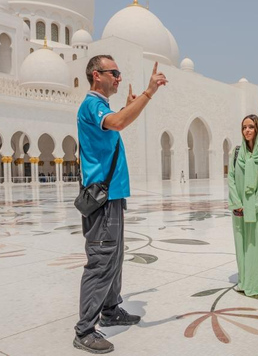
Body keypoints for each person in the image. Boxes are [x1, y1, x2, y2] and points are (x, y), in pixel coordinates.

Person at [73, 54, 167, 354]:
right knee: (101, 260)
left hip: (112, 197)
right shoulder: (92, 104)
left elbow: (116, 120)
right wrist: (149, 93)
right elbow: (119, 122)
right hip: (102, 201)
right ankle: (85, 329)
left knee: (114, 256)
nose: (118, 77)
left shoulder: (101, 106)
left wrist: (127, 105)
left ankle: (111, 309)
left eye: (119, 72)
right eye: (113, 72)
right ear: (95, 75)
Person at [227, 114, 258, 296]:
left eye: (251, 127)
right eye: (244, 127)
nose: (247, 130)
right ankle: (244, 280)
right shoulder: (237, 153)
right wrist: (238, 203)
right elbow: (231, 177)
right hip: (239, 207)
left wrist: (252, 207)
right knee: (242, 246)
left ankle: (256, 282)